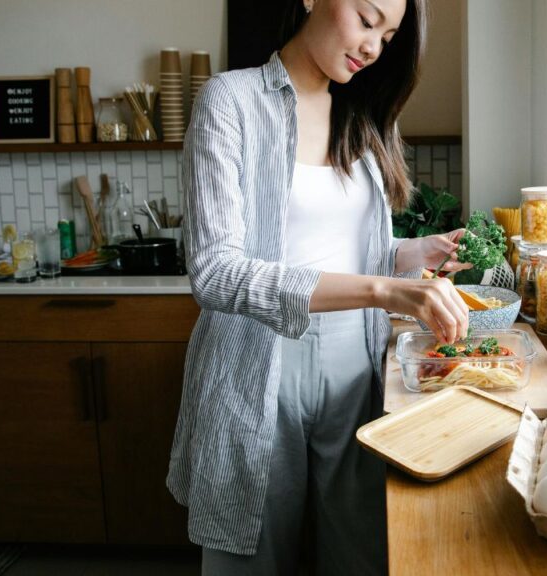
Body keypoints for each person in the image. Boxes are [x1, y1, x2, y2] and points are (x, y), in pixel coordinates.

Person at [167, 0, 470, 574]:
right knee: (250, 558)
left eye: (389, 34)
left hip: (355, 372)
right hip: (257, 372)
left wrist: (410, 256)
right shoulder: (231, 101)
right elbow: (214, 271)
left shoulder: (362, 114)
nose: (374, 47)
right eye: (366, 19)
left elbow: (346, 251)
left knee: (359, 553)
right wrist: (385, 290)